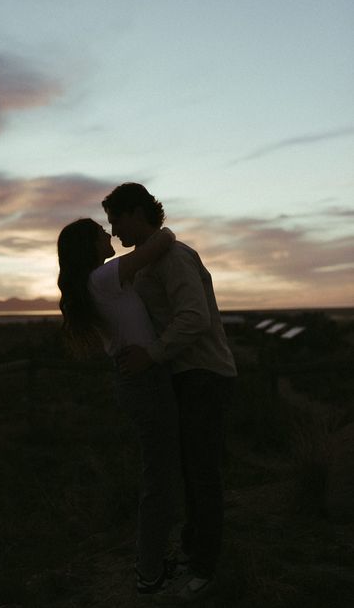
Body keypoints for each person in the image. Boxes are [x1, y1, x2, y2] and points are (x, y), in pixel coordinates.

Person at [102, 183, 237, 602]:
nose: (113, 229)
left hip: (202, 373)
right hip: (181, 375)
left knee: (201, 473)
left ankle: (205, 569)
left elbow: (194, 317)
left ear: (137, 212)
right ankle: (196, 553)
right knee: (190, 472)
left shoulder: (175, 258)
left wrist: (153, 354)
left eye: (116, 218)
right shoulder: (148, 262)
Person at [57, 218, 180, 595]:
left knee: (161, 473)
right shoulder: (103, 278)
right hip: (142, 382)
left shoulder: (100, 281)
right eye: (102, 233)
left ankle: (154, 560)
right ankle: (148, 572)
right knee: (160, 478)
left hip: (141, 379)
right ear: (90, 246)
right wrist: (161, 230)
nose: (109, 236)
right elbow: (161, 243)